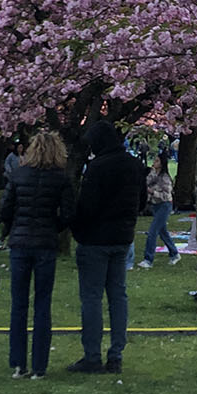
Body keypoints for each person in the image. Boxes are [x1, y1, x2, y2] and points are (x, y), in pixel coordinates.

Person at [68, 119, 147, 375]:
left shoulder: (97, 168)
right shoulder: (134, 165)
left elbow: (87, 206)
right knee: (118, 296)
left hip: (95, 240)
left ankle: (92, 355)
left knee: (92, 298)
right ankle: (116, 354)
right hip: (122, 238)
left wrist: (78, 230)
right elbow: (142, 199)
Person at [0, 130, 75, 379]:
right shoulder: (61, 179)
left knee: (18, 304)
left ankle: (18, 363)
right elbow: (67, 214)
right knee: (43, 304)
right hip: (45, 243)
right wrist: (53, 227)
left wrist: (12, 228)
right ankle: (39, 366)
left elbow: (6, 208)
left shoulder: (19, 175)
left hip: (20, 243)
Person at [139, 153, 180, 268]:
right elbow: (146, 182)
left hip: (164, 205)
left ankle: (148, 259)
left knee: (152, 232)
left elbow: (166, 195)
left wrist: (153, 192)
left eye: (157, 161)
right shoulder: (153, 174)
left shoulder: (165, 178)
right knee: (163, 232)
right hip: (155, 205)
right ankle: (174, 253)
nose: (154, 162)